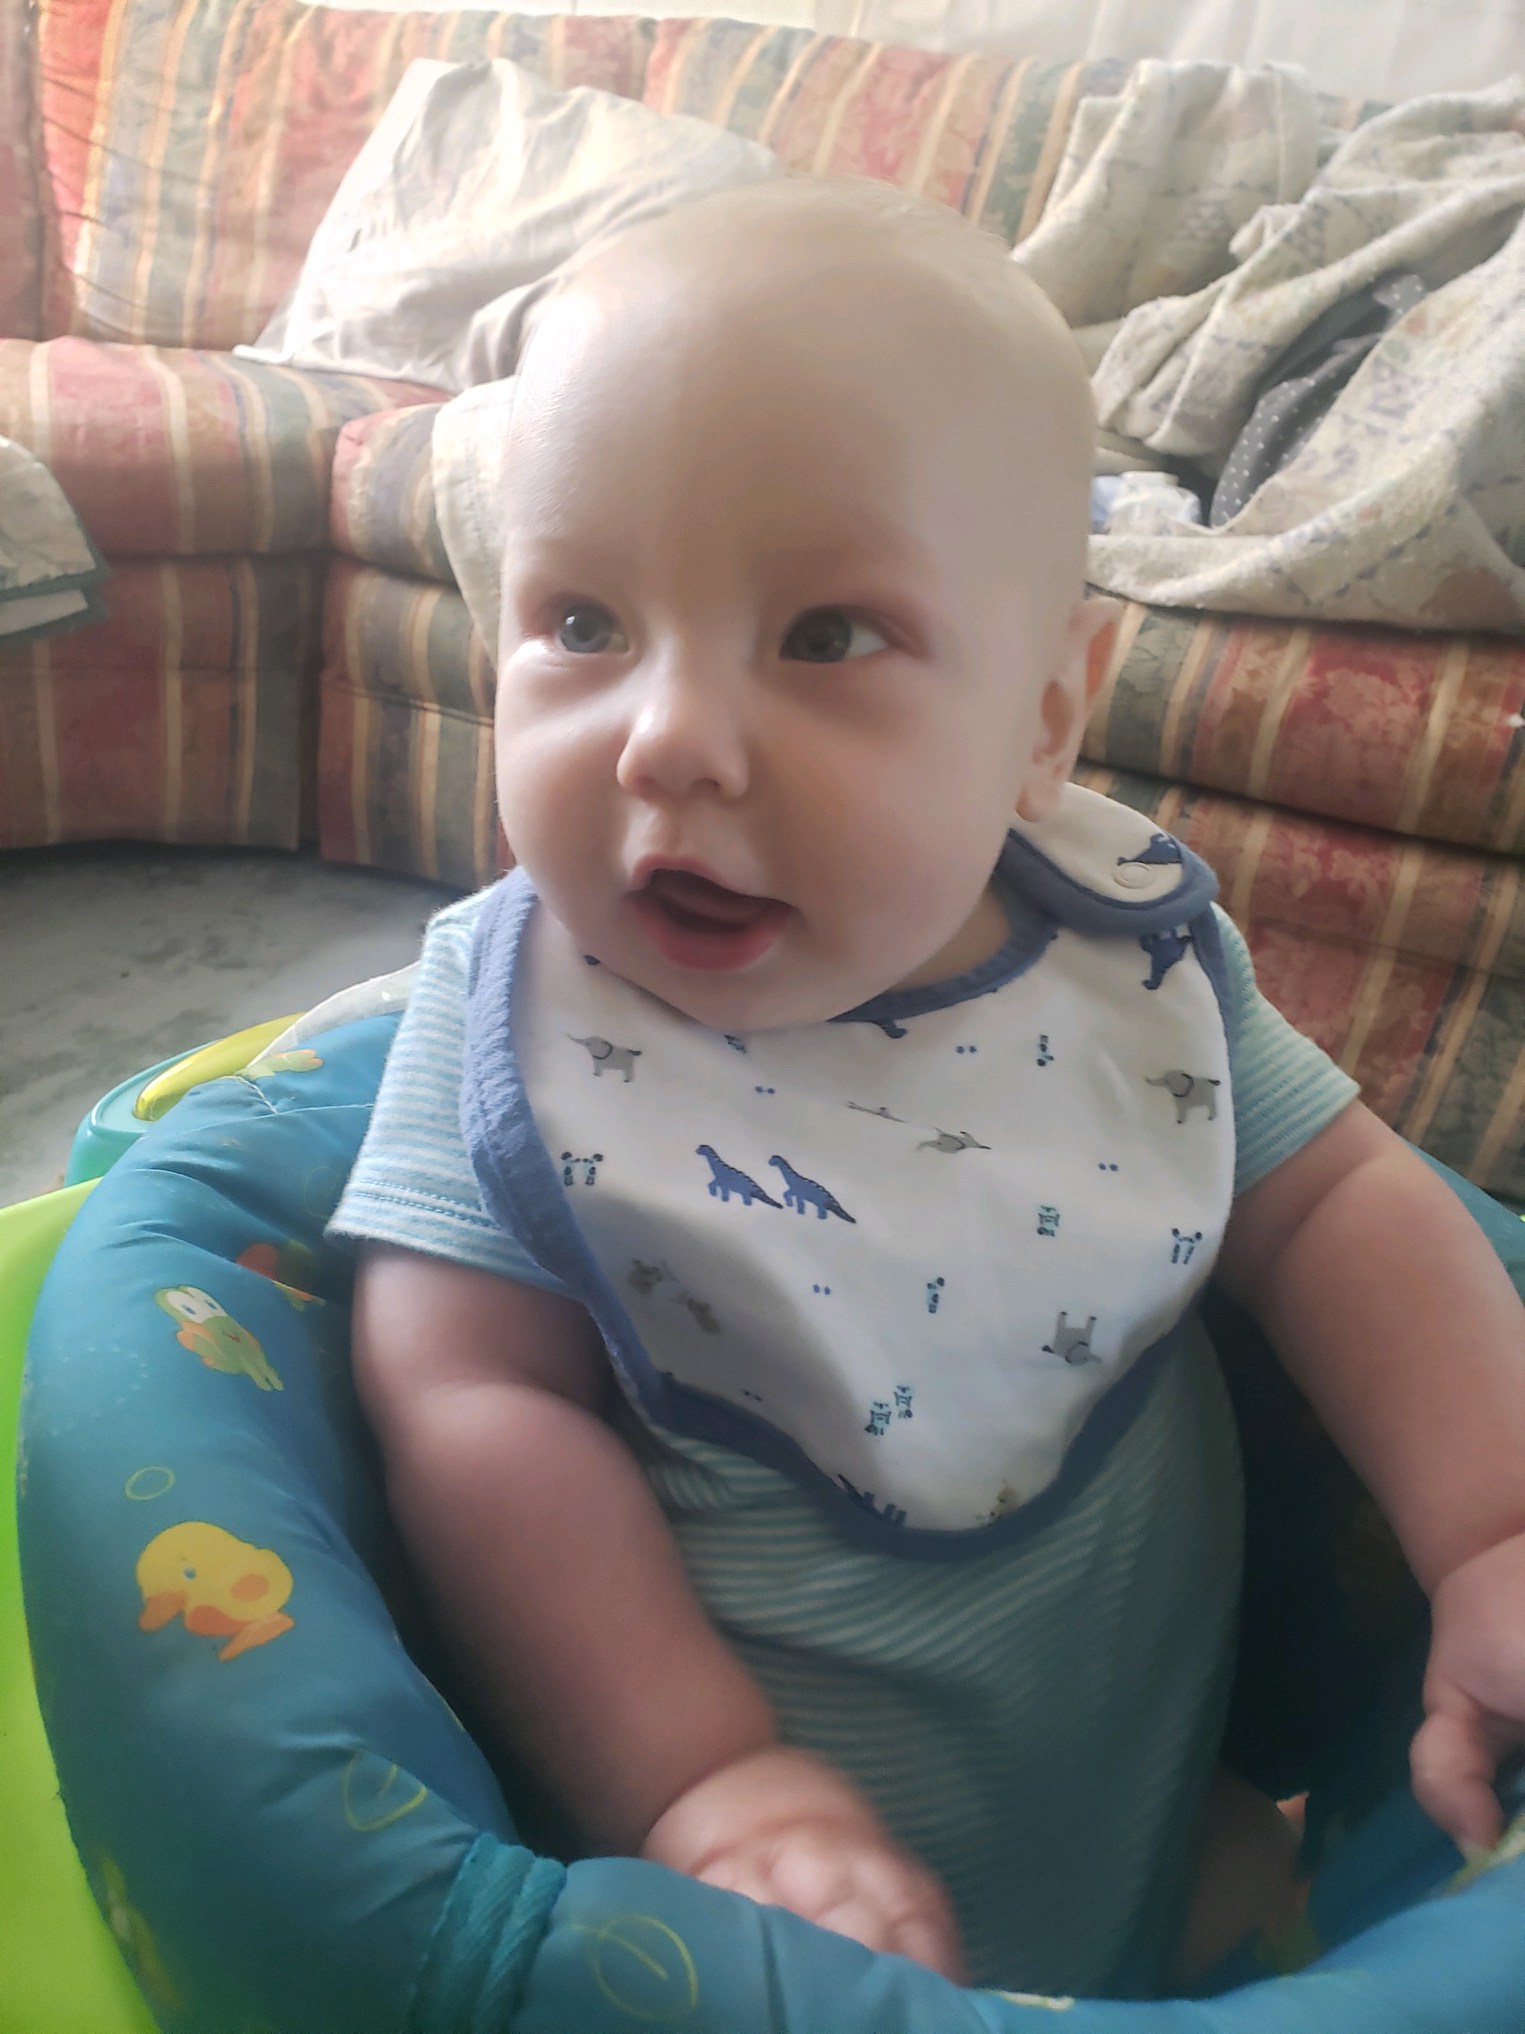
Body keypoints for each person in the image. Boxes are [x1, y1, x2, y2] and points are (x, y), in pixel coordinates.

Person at [330, 177, 1525, 1997]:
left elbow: (1345, 1205)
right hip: (760, 1914)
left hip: (1142, 1811)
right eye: (579, 622)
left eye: (822, 635)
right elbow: (466, 1403)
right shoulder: (515, 1031)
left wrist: (1492, 1532)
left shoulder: (1123, 961)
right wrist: (704, 1777)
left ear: (1046, 716)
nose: (665, 739)